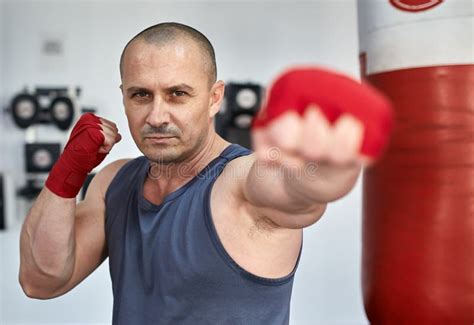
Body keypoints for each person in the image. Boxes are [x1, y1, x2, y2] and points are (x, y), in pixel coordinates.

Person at [18, 22, 393, 324]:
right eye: (141, 95)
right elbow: (41, 280)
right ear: (123, 96)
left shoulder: (240, 182)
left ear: (214, 97)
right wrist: (67, 171)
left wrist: (327, 164)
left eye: (178, 94)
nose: (157, 116)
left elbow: (298, 193)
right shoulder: (113, 181)